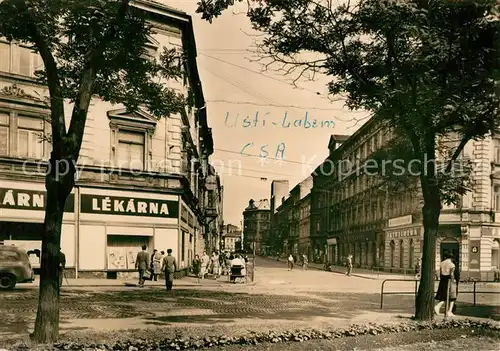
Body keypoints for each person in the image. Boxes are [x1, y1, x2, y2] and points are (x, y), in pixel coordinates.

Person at [434, 251, 456, 316]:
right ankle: (449, 311)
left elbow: (440, 273)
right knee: (452, 296)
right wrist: (453, 280)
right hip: (449, 280)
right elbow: (451, 274)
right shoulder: (452, 265)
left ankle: (438, 307)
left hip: (443, 279)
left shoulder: (441, 263)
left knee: (443, 295)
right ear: (451, 258)